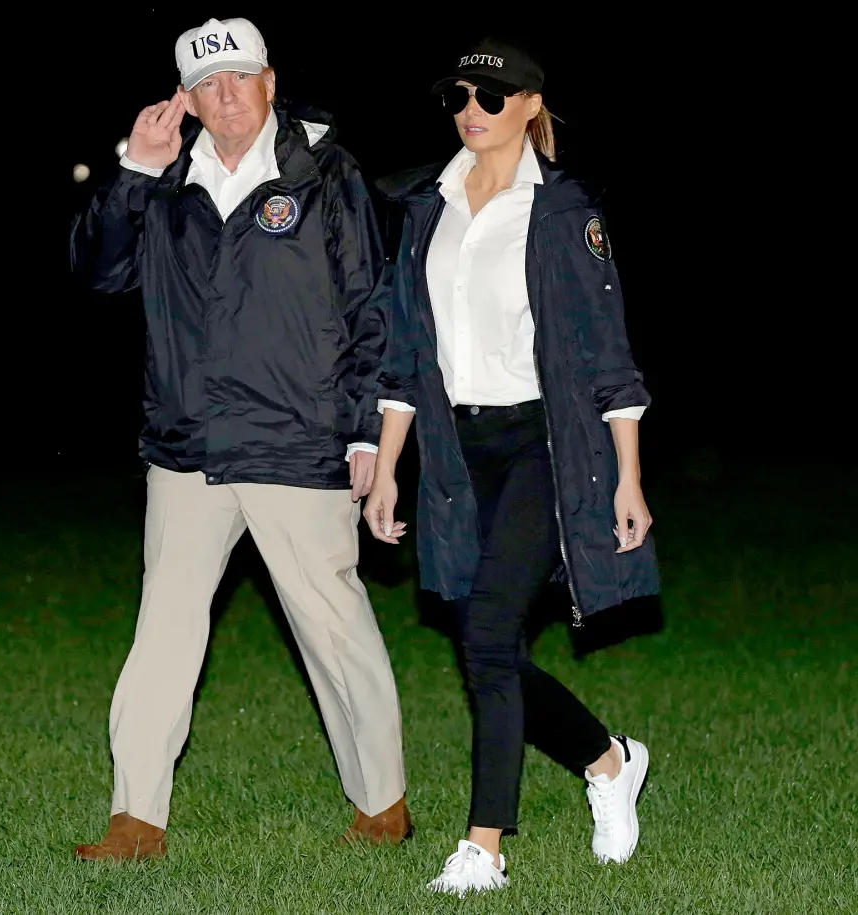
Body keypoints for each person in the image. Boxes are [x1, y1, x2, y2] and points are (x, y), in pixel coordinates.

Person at [70, 16, 410, 861]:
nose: (226, 97)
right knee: (164, 633)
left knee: (335, 631)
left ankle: (383, 804)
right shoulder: (164, 179)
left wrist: (369, 428)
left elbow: (373, 306)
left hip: (299, 444)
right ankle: (135, 817)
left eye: (239, 79)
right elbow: (98, 271)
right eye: (207, 85)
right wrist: (134, 172)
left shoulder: (325, 172)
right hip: (186, 447)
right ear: (184, 99)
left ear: (269, 79)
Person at [363, 36, 660, 896]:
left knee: (489, 637)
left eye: (490, 98)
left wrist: (628, 476)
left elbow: (610, 357)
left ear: (531, 106)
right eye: (459, 97)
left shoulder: (564, 211)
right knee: (483, 642)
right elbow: (404, 352)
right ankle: (608, 759)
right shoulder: (428, 204)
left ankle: (485, 848)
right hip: (458, 452)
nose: (471, 111)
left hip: (544, 446)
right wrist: (386, 468)